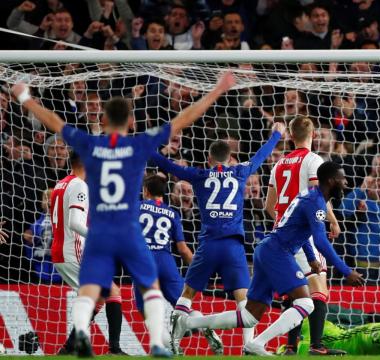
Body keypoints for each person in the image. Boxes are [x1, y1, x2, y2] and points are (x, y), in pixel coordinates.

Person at [11, 70, 236, 357]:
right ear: (131, 122)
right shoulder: (139, 144)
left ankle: (81, 335)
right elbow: (184, 119)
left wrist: (25, 97)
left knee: (90, 288)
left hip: (101, 231)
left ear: (102, 121)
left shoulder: (90, 144)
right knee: (150, 286)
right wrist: (217, 90)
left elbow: (55, 122)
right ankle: (157, 343)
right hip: (128, 231)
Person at [170, 161, 365, 355]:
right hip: (277, 252)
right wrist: (347, 271)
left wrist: (311, 257)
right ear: (331, 181)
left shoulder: (310, 195)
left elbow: (298, 229)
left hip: (268, 249)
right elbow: (321, 241)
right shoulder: (315, 202)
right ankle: (257, 343)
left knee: (249, 317)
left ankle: (188, 322)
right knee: (306, 303)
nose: (346, 183)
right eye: (342, 179)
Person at [152, 122, 286, 353]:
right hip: (234, 247)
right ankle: (248, 346)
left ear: (209, 158)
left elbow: (166, 164)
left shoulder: (199, 174)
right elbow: (261, 155)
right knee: (244, 300)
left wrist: (144, 148)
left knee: (187, 295)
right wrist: (276, 135)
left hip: (208, 245)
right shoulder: (240, 171)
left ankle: (174, 343)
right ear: (230, 157)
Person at [265, 115, 343, 355]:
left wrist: (285, 223)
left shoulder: (279, 164)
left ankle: (290, 345)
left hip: (280, 236)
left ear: (289, 136)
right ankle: (316, 345)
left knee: (294, 289)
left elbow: (269, 206)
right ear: (314, 135)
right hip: (306, 234)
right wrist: (334, 221)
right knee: (318, 287)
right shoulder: (313, 160)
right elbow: (317, 198)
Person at [49, 151, 126, 355]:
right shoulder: (79, 185)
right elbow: (75, 223)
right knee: (113, 292)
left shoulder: (61, 184)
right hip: (72, 249)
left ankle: (68, 349)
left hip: (60, 250)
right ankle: (115, 349)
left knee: (99, 297)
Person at [136, 174, 194, 351]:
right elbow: (183, 249)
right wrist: (197, 269)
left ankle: (171, 347)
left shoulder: (136, 207)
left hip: (144, 261)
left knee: (147, 311)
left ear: (145, 191)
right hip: (166, 261)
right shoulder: (173, 213)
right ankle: (205, 327)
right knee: (183, 306)